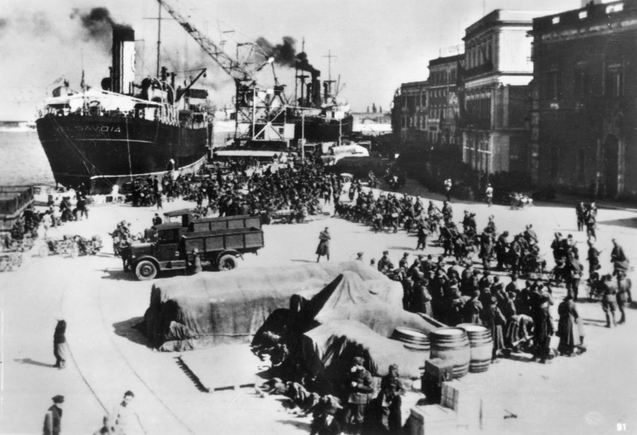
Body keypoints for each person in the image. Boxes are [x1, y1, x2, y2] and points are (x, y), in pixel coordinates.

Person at [343, 357, 373, 435]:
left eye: (356, 364)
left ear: (360, 365)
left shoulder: (366, 373)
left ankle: (357, 433)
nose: (354, 366)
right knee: (346, 416)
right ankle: (346, 432)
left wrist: (358, 385)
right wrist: (349, 373)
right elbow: (345, 381)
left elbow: (370, 388)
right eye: (354, 364)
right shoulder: (352, 372)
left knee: (359, 418)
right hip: (351, 397)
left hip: (360, 399)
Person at [377, 364, 403, 433]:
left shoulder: (398, 380)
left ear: (396, 371)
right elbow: (383, 388)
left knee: (396, 418)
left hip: (395, 400)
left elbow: (403, 391)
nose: (391, 372)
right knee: (384, 418)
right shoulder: (385, 378)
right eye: (390, 370)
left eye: (394, 371)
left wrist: (395, 393)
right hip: (385, 399)